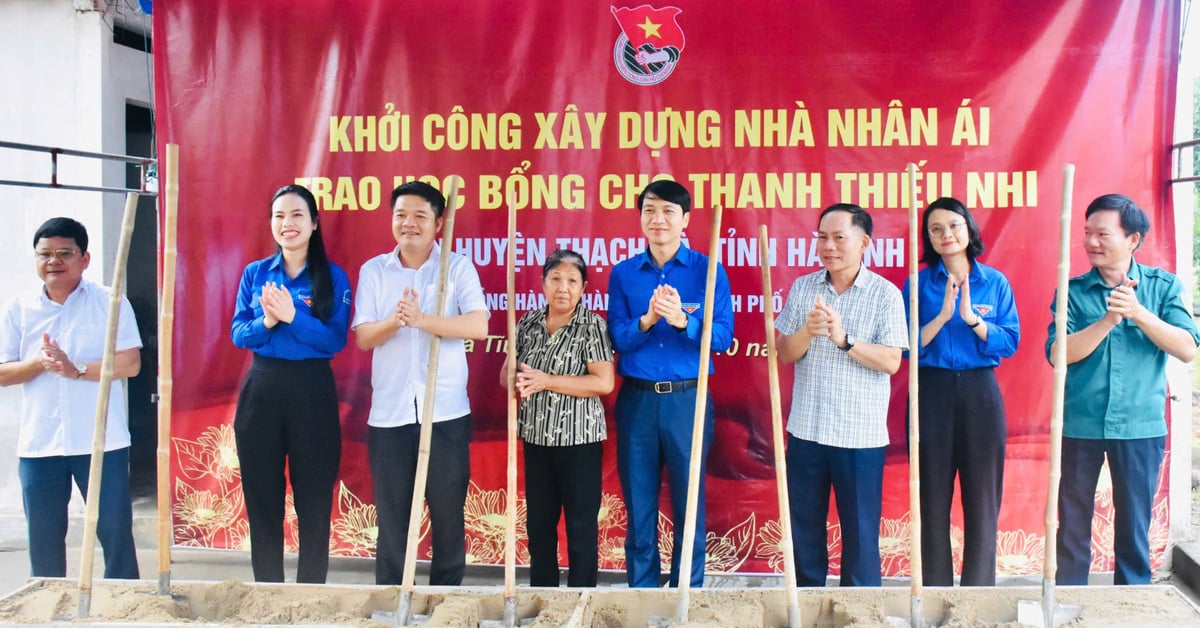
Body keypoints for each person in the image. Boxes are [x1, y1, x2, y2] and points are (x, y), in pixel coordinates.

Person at [1047, 193, 1198, 585]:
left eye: (1102, 234)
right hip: (1081, 423)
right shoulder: (1073, 290)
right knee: (1073, 522)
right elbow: (1058, 355)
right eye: (1087, 233)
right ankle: (1070, 601)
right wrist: (1109, 320)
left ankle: (1131, 601)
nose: (1091, 242)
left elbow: (1187, 349)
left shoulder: (1163, 288)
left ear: (1133, 239)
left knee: (1134, 524)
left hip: (1140, 425)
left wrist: (1138, 313)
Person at [354, 181, 488, 586]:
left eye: (419, 216)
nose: (408, 224)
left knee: (448, 513)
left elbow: (479, 325)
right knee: (392, 516)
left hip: (445, 412)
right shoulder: (375, 270)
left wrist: (423, 319)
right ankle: (394, 597)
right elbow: (363, 337)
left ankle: (445, 600)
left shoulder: (457, 266)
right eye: (401, 215)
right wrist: (397, 320)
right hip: (390, 415)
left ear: (439, 223)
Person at [606, 179, 734, 588]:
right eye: (649, 210)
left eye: (668, 211)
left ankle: (685, 594)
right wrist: (646, 320)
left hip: (688, 402)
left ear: (686, 221)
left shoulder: (708, 271)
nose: (657, 219)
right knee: (639, 503)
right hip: (638, 403)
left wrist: (683, 320)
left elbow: (723, 338)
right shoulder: (624, 274)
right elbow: (618, 339)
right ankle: (642, 594)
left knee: (689, 500)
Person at [775, 203, 908, 587]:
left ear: (864, 242)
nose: (828, 246)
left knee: (862, 535)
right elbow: (783, 353)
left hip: (859, 437)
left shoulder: (884, 294)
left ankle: (860, 609)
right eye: (822, 237)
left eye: (838, 237)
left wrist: (844, 340)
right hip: (807, 432)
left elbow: (891, 361)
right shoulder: (804, 288)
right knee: (804, 531)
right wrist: (808, 330)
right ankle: (807, 605)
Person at [0, 217, 140, 579]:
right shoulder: (19, 307)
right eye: (45, 254)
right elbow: (3, 372)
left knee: (114, 532)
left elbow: (130, 364)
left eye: (65, 252)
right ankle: (50, 606)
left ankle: (124, 604)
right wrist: (39, 363)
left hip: (100, 441)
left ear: (85, 258)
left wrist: (74, 367)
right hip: (39, 444)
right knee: (44, 538)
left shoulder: (110, 302)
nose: (54, 261)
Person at [230, 184, 351, 583]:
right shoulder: (255, 274)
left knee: (313, 499)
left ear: (315, 223)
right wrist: (267, 321)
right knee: (263, 499)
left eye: (297, 215)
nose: (288, 224)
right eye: (280, 216)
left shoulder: (332, 277)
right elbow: (239, 334)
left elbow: (334, 339)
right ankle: (268, 590)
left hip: (312, 390)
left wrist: (292, 316)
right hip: (262, 387)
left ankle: (310, 593)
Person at [901, 197, 1019, 586]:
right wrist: (942, 316)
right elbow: (908, 347)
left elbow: (1009, 342)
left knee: (982, 498)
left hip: (980, 393)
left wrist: (971, 320)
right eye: (936, 229)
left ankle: (978, 591)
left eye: (953, 225)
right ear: (928, 238)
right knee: (931, 498)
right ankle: (935, 590)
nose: (946, 235)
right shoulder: (917, 284)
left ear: (968, 229)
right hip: (930, 393)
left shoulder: (995, 282)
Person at [499, 248, 614, 587]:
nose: (563, 287)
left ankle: (582, 599)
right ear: (543, 283)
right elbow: (506, 375)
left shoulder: (591, 325)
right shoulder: (527, 323)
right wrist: (514, 377)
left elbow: (603, 382)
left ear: (584, 287)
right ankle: (543, 597)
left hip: (580, 442)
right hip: (536, 439)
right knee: (539, 527)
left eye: (572, 281)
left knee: (580, 527)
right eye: (555, 279)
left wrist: (547, 380)